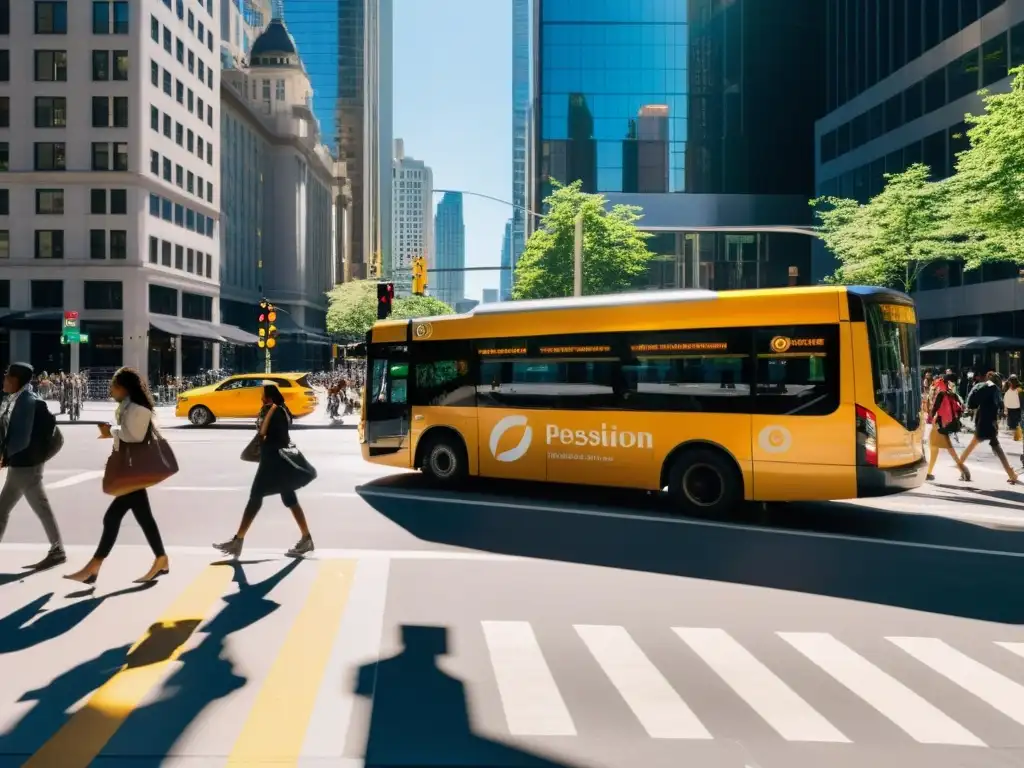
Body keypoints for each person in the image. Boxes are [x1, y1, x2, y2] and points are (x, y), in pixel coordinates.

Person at [64, 368, 169, 585]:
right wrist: (113, 431)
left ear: (124, 388)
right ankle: (161, 559)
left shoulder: (138, 409)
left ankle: (94, 566)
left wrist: (110, 431)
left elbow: (135, 436)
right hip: (130, 469)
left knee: (113, 518)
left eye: (114, 386)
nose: (111, 390)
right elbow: (128, 433)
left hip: (135, 470)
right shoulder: (127, 406)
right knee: (143, 519)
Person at [214, 383, 315, 558]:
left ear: (269, 397)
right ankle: (306, 538)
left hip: (272, 462)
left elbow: (262, 434)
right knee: (289, 499)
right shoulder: (281, 410)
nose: (261, 399)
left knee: (255, 498)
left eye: (263, 396)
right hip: (277, 461)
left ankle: (238, 541)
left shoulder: (273, 411)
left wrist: (264, 423)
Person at [0, 362, 65, 569]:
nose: (4, 379)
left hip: (26, 467)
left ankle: (58, 551)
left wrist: (32, 459)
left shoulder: (32, 403)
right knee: (35, 507)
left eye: (7, 376)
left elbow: (45, 435)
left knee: (6, 509)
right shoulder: (16, 400)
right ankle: (58, 551)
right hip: (22, 466)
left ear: (15, 380)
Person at [959, 371, 1019, 485]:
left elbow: (972, 403)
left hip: (981, 420)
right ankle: (1011, 474)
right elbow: (1000, 405)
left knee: (973, 446)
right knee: (997, 448)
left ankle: (960, 465)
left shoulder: (981, 386)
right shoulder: (995, 389)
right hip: (989, 422)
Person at [925, 373, 970, 482]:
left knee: (948, 450)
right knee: (934, 449)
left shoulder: (941, 393)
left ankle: (964, 471)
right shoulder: (951, 393)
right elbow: (961, 407)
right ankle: (929, 473)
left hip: (938, 425)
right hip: (944, 423)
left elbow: (935, 408)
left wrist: (930, 417)